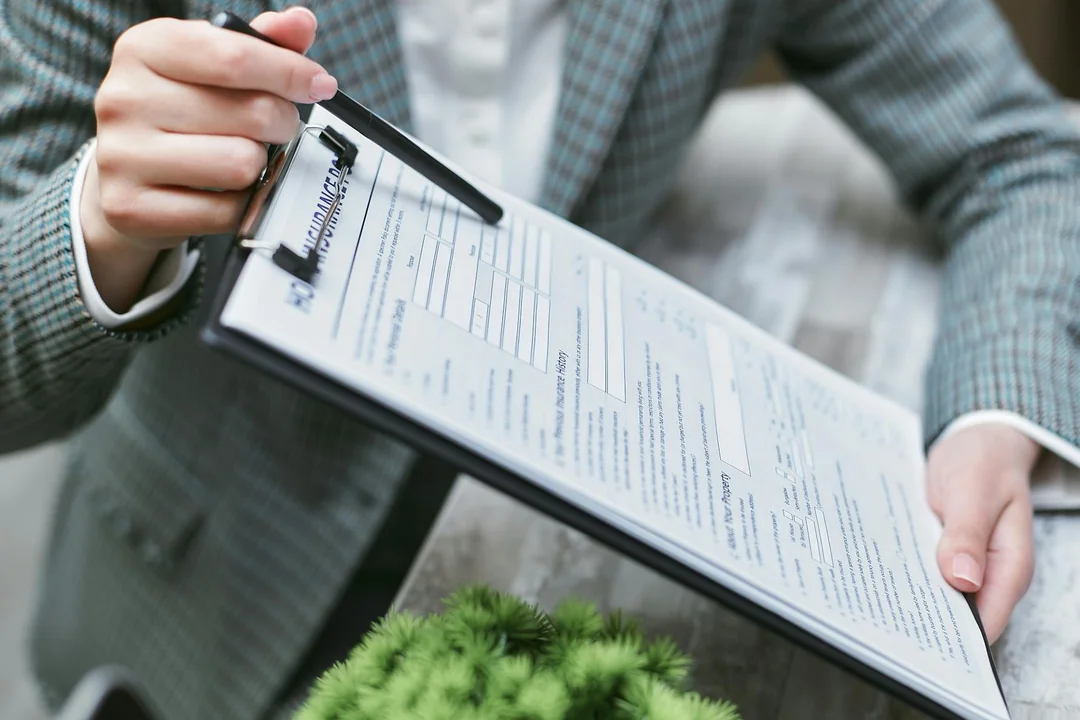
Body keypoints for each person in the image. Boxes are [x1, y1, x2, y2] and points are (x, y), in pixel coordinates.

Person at [1, 0, 1077, 717]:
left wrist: (993, 413)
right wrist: (102, 219)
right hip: (199, 601)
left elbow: (1015, 147)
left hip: (569, 602)